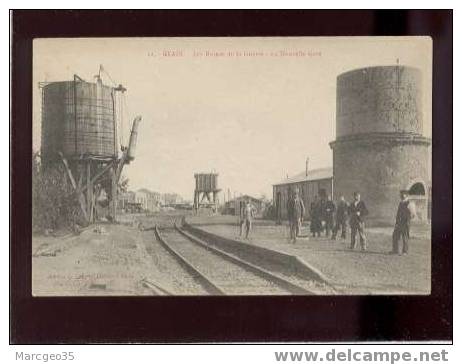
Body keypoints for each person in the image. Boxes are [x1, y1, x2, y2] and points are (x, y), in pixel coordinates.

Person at [391, 190, 416, 255]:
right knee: (395, 236)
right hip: (399, 223)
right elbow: (398, 213)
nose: (401, 195)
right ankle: (395, 251)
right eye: (401, 194)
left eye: (403, 194)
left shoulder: (410, 203)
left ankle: (405, 252)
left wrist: (407, 220)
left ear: (406, 195)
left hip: (405, 223)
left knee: (405, 237)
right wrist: (397, 222)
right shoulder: (401, 203)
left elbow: (413, 214)